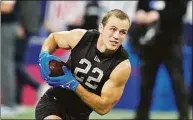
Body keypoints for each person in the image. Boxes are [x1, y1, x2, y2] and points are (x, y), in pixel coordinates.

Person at [35, 9, 131, 120]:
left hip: (80, 115)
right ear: (101, 28)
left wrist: (74, 85)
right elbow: (54, 38)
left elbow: (103, 108)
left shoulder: (121, 66)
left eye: (122, 32)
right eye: (113, 29)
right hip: (54, 101)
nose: (116, 36)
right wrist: (44, 54)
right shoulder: (81, 38)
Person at [130, 0, 189, 119]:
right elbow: (141, 6)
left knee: (177, 82)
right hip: (150, 44)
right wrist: (140, 13)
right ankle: (141, 116)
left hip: (172, 44)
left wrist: (159, 14)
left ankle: (184, 115)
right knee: (145, 83)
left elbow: (181, 11)